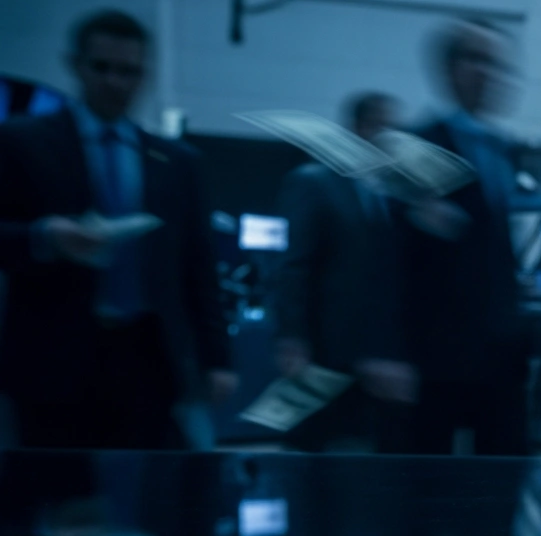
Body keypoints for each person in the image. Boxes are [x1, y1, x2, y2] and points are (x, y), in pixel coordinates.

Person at [0, 9, 236, 450]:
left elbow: (197, 266)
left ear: (144, 74)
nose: (116, 82)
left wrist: (216, 359)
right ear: (76, 65)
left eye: (129, 71)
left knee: (150, 483)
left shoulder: (177, 163)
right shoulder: (22, 142)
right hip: (53, 355)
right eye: (102, 67)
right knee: (55, 483)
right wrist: (43, 237)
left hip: (148, 357)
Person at [390, 20, 530, 456]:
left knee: (502, 479)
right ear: (448, 69)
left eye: (496, 64)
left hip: (501, 353)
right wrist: (390, 352)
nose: (488, 73)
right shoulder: (415, 148)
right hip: (434, 354)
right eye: (476, 60)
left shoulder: (504, 150)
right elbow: (389, 260)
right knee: (427, 483)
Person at [273, 91, 417, 453]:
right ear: (358, 129)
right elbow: (294, 265)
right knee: (314, 452)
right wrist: (292, 336)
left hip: (372, 352)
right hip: (323, 347)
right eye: (383, 128)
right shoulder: (316, 182)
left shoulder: (391, 197)